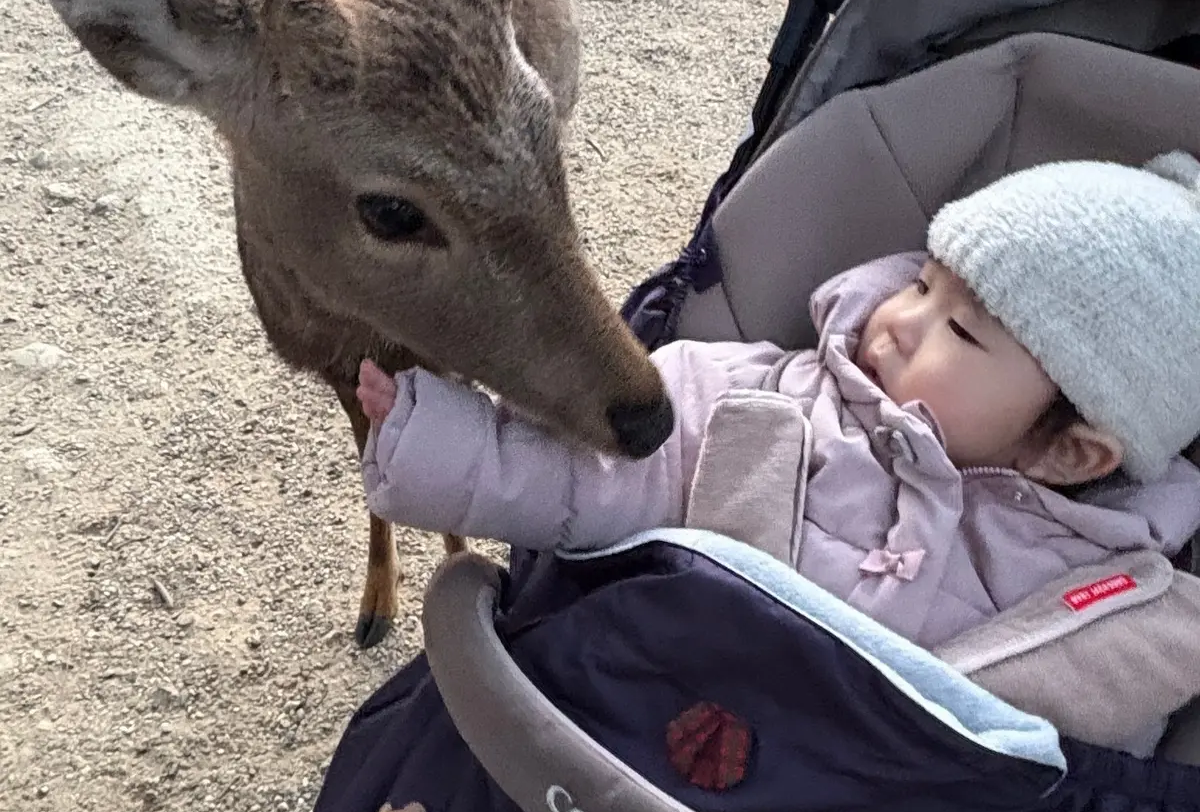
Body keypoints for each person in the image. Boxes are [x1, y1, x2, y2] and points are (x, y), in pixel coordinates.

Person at [357, 153, 1200, 654]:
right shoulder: (773, 398)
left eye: (963, 333)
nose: (900, 323)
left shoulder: (1102, 585)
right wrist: (441, 439)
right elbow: (599, 478)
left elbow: (1088, 759)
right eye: (919, 283)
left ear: (1073, 452)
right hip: (663, 727)